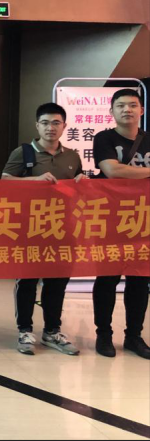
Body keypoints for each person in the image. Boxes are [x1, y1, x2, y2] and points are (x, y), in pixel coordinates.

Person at [2, 102, 85, 356]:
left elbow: (77, 188)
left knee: (57, 281)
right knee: (27, 280)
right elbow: (5, 182)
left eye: (56, 123)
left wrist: (83, 182)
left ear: (64, 126)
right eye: (46, 123)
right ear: (37, 125)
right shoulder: (23, 152)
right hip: (30, 227)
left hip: (62, 227)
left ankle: (52, 331)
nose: (51, 128)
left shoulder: (72, 156)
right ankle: (25, 330)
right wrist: (34, 180)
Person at [91, 88, 150, 359]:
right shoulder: (104, 138)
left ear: (142, 110)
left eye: (133, 105)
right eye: (121, 105)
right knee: (107, 277)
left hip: (143, 220)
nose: (127, 109)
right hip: (111, 218)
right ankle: (103, 334)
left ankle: (134, 336)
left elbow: (121, 171)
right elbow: (111, 170)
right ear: (112, 111)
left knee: (140, 280)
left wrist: (133, 173)